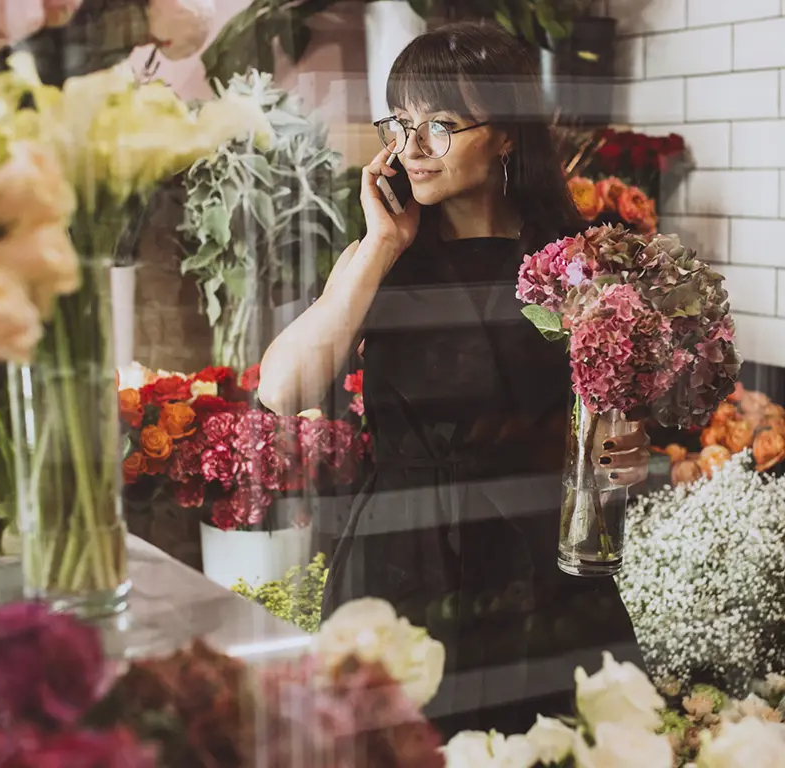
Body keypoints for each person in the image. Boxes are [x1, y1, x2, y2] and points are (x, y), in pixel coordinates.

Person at [257, 21, 648, 736]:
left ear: (507, 134)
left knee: (554, 742)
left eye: (440, 124)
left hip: (533, 561)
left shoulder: (574, 261)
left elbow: (606, 414)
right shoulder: (382, 255)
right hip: (404, 554)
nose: (412, 149)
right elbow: (281, 389)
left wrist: (624, 447)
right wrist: (380, 245)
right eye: (401, 124)